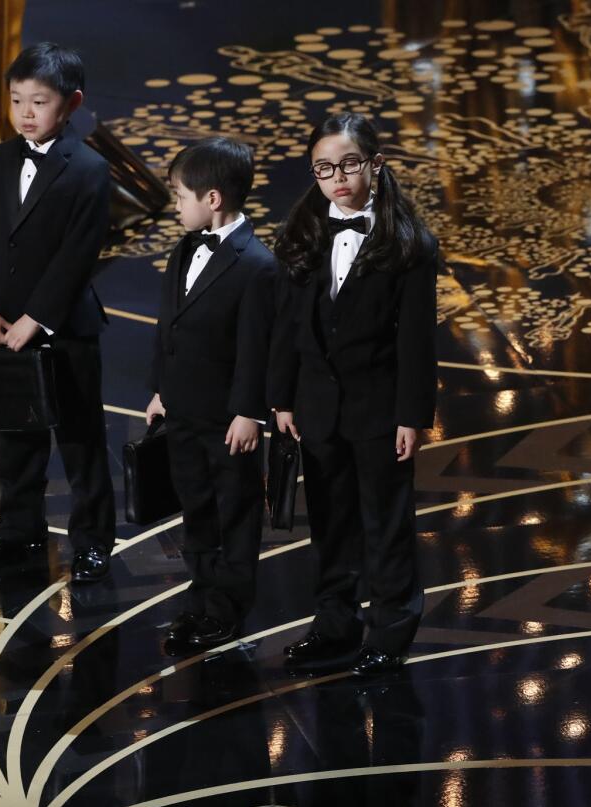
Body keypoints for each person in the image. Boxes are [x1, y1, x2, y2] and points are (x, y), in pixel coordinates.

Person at [269, 112, 439, 678]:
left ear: (375, 164)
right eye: (324, 169)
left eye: (348, 165)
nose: (337, 178)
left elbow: (417, 343)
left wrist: (411, 416)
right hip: (317, 407)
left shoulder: (410, 245)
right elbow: (288, 328)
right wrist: (282, 398)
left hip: (378, 410)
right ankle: (334, 624)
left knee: (386, 525)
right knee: (331, 523)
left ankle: (390, 631)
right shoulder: (302, 235)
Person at [0, 42, 114, 583]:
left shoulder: (90, 169)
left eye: (39, 102)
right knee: (16, 438)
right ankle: (17, 534)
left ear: (71, 104)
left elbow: (78, 255)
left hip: (64, 326)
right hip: (2, 325)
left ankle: (94, 540)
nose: (26, 113)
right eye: (16, 100)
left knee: (79, 439)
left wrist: (37, 318)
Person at [145, 136, 278, 652]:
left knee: (235, 511)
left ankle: (227, 608)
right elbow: (166, 325)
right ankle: (200, 598)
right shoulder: (184, 247)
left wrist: (249, 412)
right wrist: (158, 388)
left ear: (213, 199)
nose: (176, 205)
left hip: (227, 417)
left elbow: (255, 349)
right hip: (182, 409)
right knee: (196, 509)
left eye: (180, 196)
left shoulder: (257, 265)